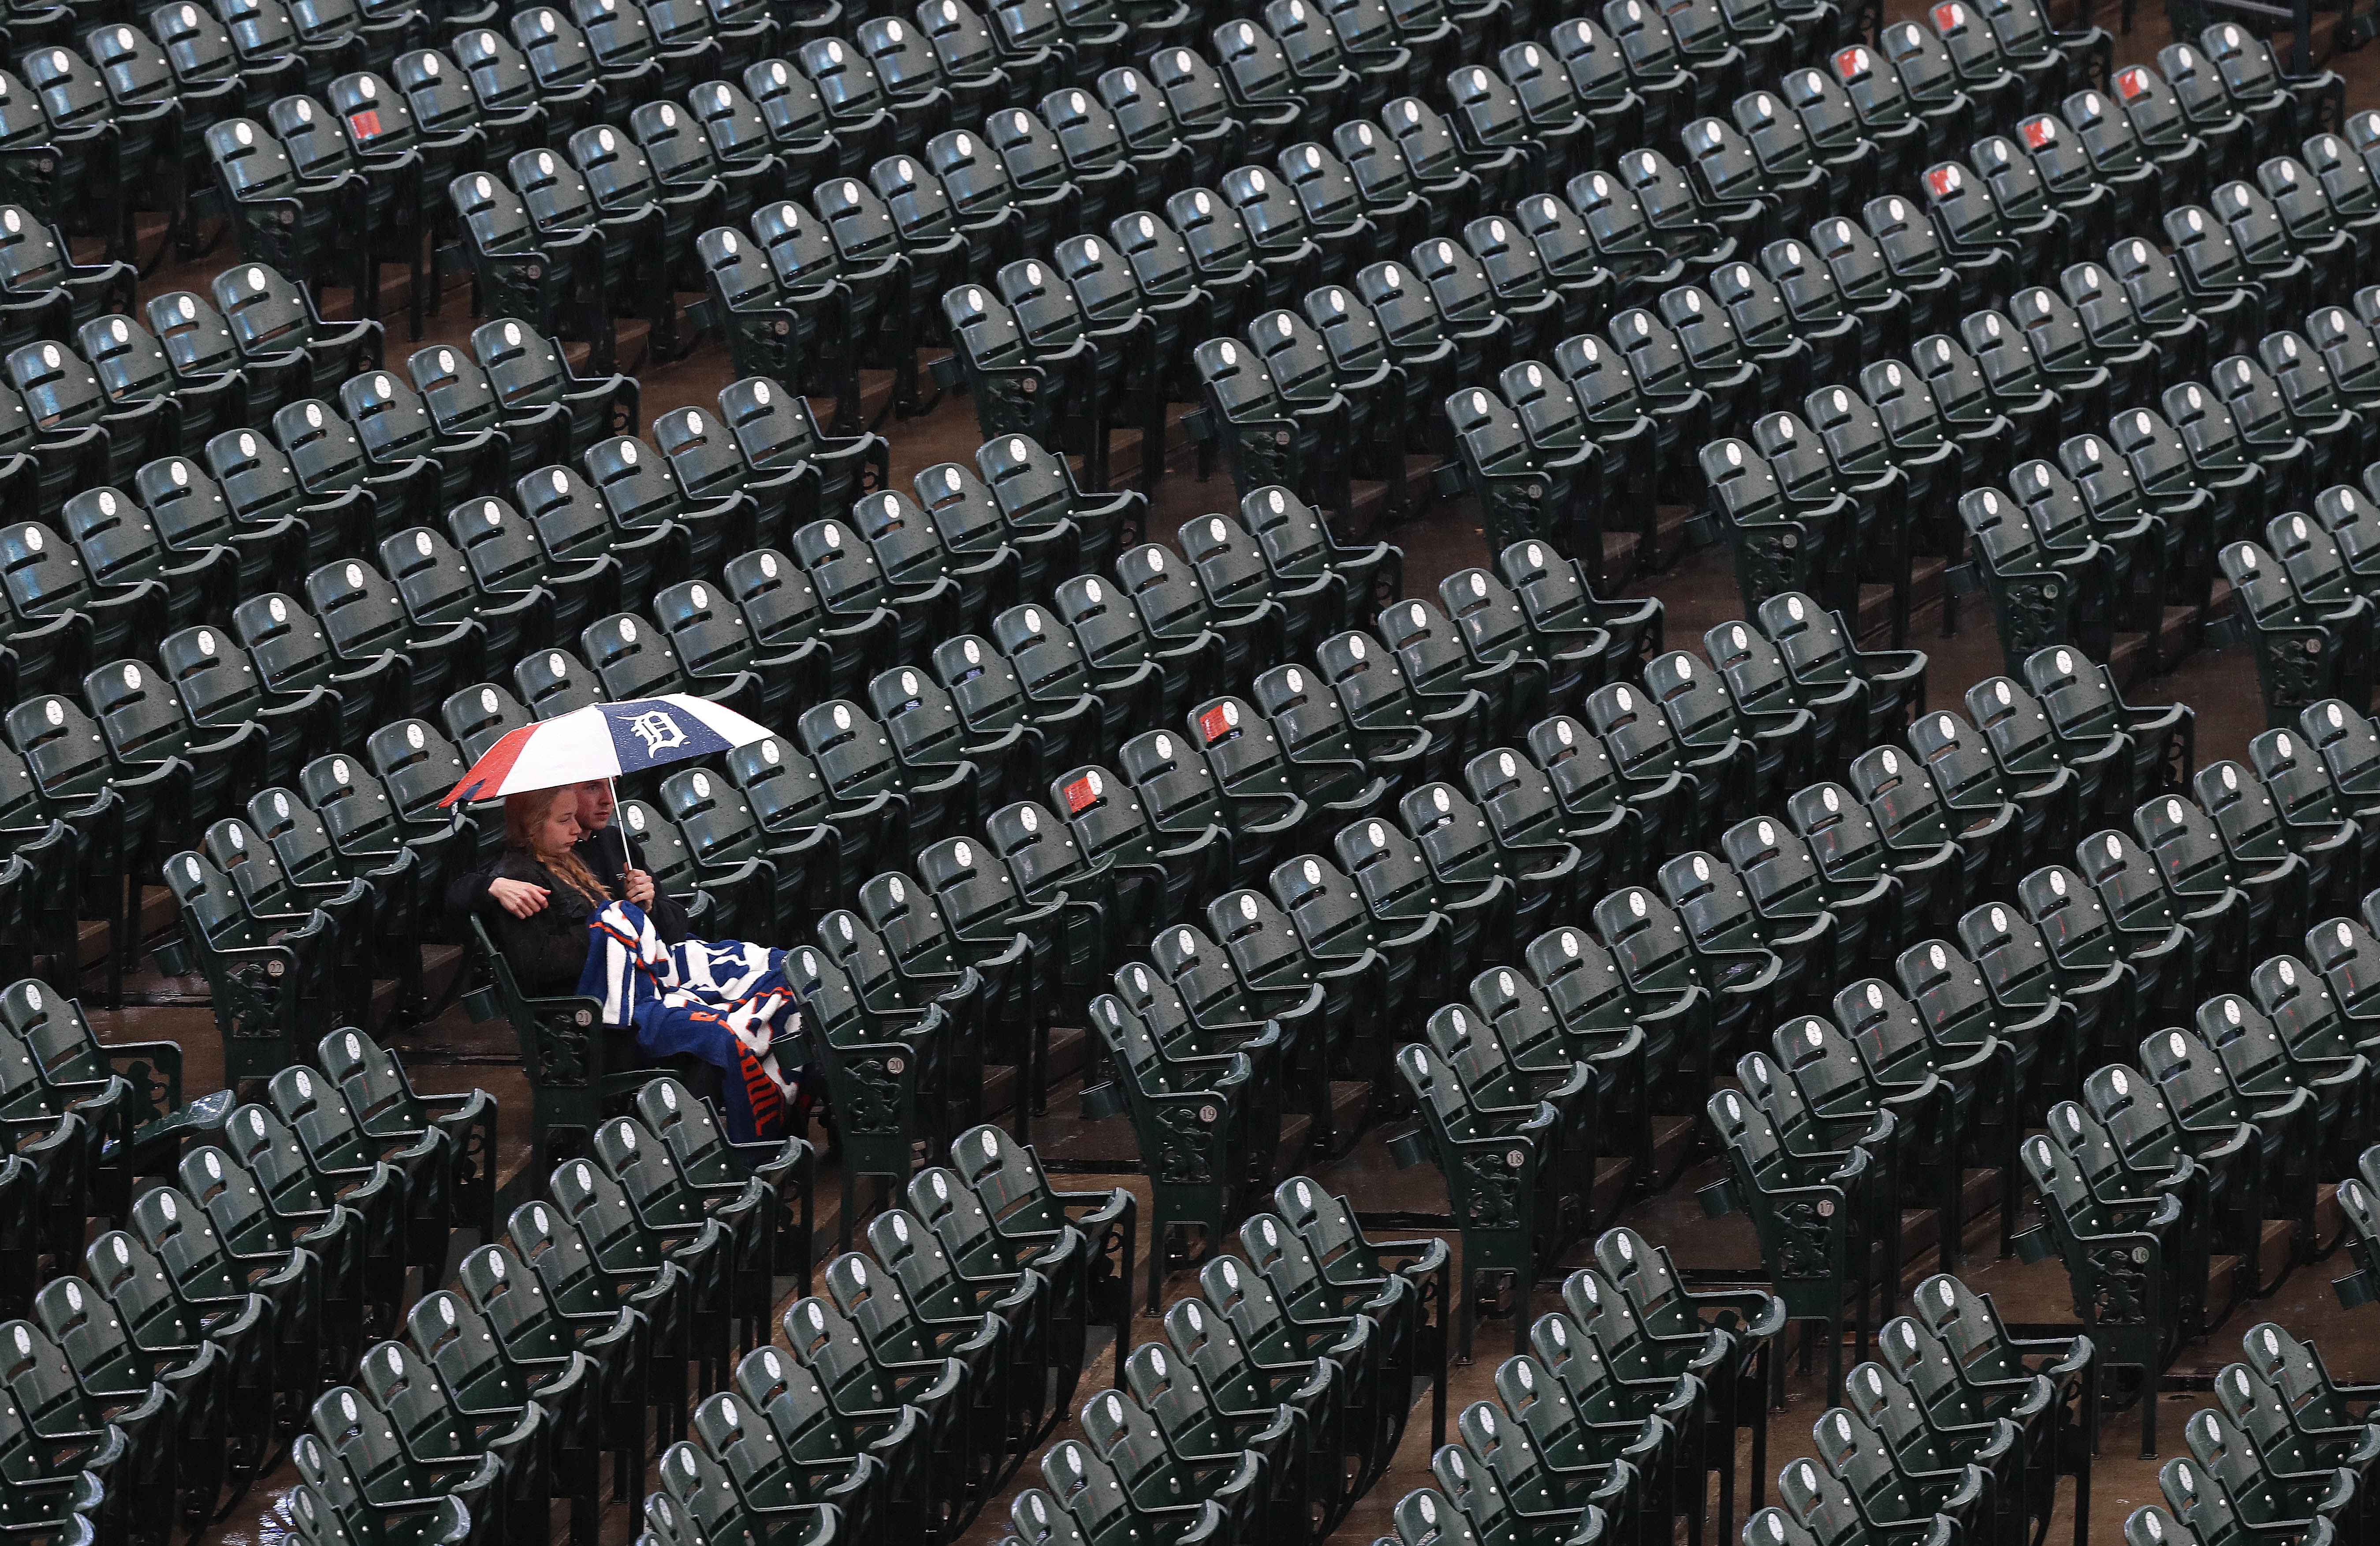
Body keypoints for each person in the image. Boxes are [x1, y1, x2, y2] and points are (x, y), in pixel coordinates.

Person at [450, 779, 689, 944]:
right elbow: (457, 891)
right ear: (565, 791)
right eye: (593, 788)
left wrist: (649, 909)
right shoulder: (536, 856)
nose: (609, 800)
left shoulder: (616, 841)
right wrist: (491, 886)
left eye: (612, 786)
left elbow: (677, 928)